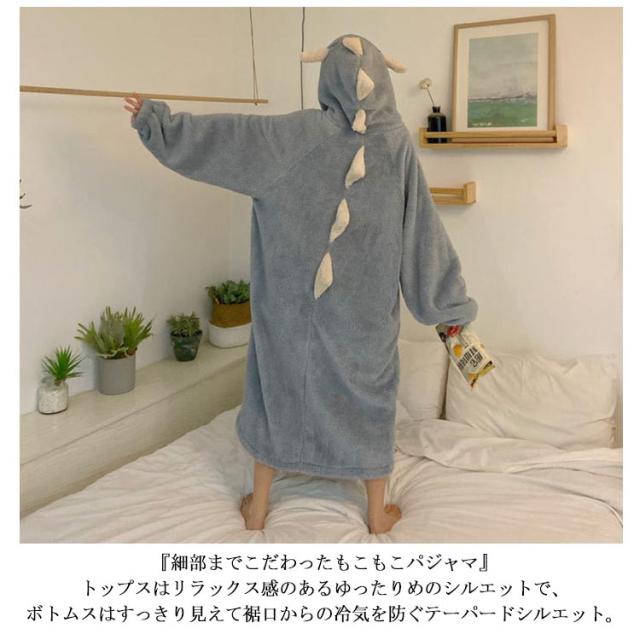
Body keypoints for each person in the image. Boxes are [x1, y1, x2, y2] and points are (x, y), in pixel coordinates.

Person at [124, 34, 479, 535]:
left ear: (327, 76)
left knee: (280, 395)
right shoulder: (396, 143)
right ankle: (376, 514)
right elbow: (422, 232)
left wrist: (157, 123)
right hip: (365, 323)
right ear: (383, 81)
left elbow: (225, 139)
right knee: (368, 402)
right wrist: (447, 306)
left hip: (291, 316)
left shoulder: (293, 138)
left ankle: (259, 507)